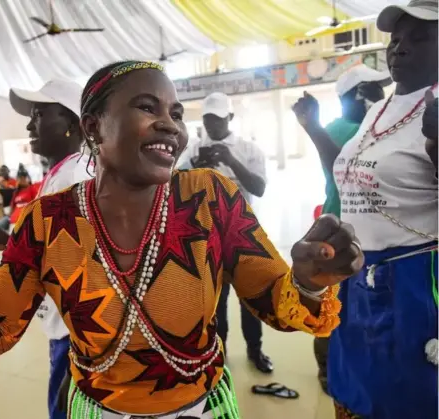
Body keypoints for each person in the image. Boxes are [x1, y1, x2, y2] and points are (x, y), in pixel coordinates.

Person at [0, 61, 362, 418]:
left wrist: (309, 281)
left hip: (204, 409)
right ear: (93, 128)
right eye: (148, 108)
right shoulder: (48, 220)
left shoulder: (210, 196)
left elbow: (277, 303)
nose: (170, 123)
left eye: (176, 112)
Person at [294, 1, 438, 417]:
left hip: (414, 282)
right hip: (355, 277)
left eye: (420, 38)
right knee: (352, 390)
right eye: (396, 39)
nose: (400, 48)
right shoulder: (377, 110)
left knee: (406, 398)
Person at [0, 78, 91, 419]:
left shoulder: (78, 181)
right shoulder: (61, 175)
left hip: (77, 340)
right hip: (62, 329)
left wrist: (80, 364)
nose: (30, 124)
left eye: (40, 114)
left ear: (73, 124)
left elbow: (93, 277)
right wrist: (12, 246)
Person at [294, 64, 391, 393]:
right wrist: (313, 125)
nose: (382, 95)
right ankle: (327, 370)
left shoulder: (370, 127)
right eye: (374, 89)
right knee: (332, 304)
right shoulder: (341, 128)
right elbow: (343, 169)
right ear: (358, 94)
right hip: (338, 228)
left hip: (368, 229)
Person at [179, 92, 272, 373]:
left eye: (218, 120)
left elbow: (259, 188)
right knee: (215, 303)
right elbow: (175, 188)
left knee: (250, 300)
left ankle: (255, 351)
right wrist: (196, 169)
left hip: (243, 236)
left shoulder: (248, 149)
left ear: (230, 118)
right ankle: (219, 355)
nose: (212, 126)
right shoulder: (194, 149)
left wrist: (231, 160)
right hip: (207, 237)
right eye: (207, 120)